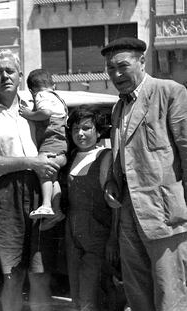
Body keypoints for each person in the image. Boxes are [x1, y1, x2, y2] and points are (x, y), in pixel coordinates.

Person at [0, 49, 64, 311]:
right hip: (6, 193)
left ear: (20, 75)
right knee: (13, 274)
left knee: (40, 273)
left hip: (41, 189)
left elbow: (58, 140)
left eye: (10, 70)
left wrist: (53, 162)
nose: (4, 76)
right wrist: (32, 162)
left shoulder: (37, 106)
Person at [101, 37, 187, 311]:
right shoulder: (118, 108)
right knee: (138, 295)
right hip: (128, 216)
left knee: (170, 294)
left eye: (122, 66)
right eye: (110, 69)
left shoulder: (170, 92)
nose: (116, 75)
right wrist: (112, 183)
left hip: (166, 215)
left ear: (142, 61)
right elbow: (121, 158)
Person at [65, 106, 120, 311]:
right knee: (77, 295)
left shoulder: (104, 156)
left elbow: (114, 204)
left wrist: (113, 239)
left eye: (87, 128)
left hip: (97, 234)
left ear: (98, 132)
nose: (80, 133)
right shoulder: (70, 157)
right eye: (75, 129)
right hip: (73, 233)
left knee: (93, 294)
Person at [19, 69, 67, 226]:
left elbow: (45, 113)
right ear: (53, 85)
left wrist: (28, 114)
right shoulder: (57, 98)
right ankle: (57, 210)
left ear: (32, 90)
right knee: (53, 178)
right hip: (61, 143)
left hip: (50, 142)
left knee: (44, 173)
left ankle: (46, 205)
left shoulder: (41, 95)